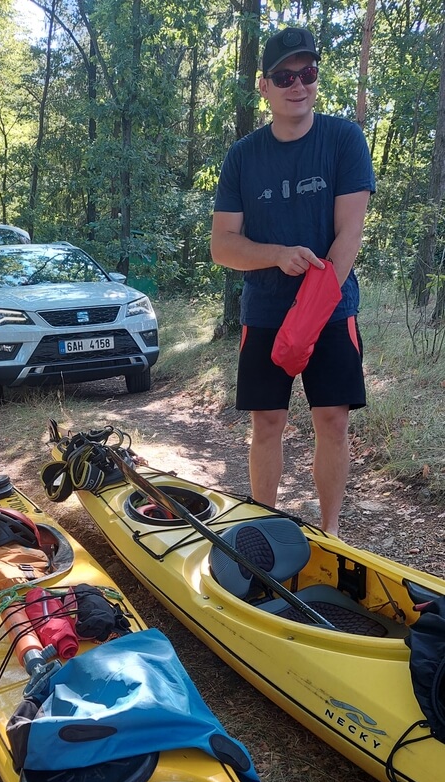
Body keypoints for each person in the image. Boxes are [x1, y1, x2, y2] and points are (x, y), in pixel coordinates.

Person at [210, 26, 375, 536]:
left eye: (307, 73)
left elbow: (350, 232)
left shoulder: (343, 139)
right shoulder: (243, 156)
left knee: (333, 421)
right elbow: (223, 246)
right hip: (263, 312)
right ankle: (263, 529)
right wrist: (277, 255)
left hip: (331, 310)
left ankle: (331, 533)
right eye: (285, 76)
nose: (297, 85)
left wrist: (315, 308)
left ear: (316, 78)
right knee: (267, 424)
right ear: (264, 86)